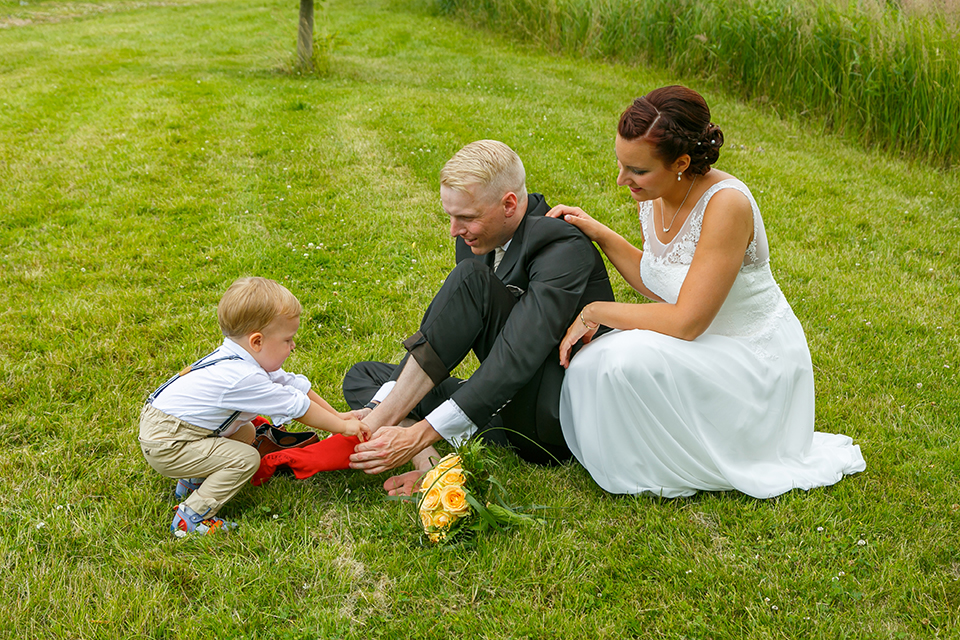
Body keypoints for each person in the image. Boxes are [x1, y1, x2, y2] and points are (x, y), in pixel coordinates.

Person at [547, 86, 865, 498]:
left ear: (681, 163)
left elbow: (687, 321)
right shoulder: (656, 191)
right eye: (621, 164)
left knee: (621, 360)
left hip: (751, 361)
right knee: (591, 363)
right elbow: (661, 278)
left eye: (636, 170)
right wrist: (599, 233)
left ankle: (680, 458)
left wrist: (595, 311)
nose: (622, 179)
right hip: (701, 342)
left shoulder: (726, 204)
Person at [343, 140, 615, 494]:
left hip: (549, 422)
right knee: (365, 378)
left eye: (467, 218)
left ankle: (385, 423)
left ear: (509, 204)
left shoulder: (562, 244)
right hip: (500, 408)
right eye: (451, 216)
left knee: (470, 280)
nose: (454, 230)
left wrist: (418, 433)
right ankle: (427, 464)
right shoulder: (475, 238)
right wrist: (415, 443)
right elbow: (449, 329)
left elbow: (518, 354)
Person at [139, 277, 370, 536]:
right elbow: (296, 406)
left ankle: (194, 482)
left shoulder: (241, 358)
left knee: (246, 432)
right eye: (288, 340)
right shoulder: (244, 377)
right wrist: (342, 427)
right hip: (169, 443)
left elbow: (294, 385)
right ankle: (191, 517)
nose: (293, 346)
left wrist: (337, 416)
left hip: (172, 429)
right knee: (246, 459)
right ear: (257, 342)